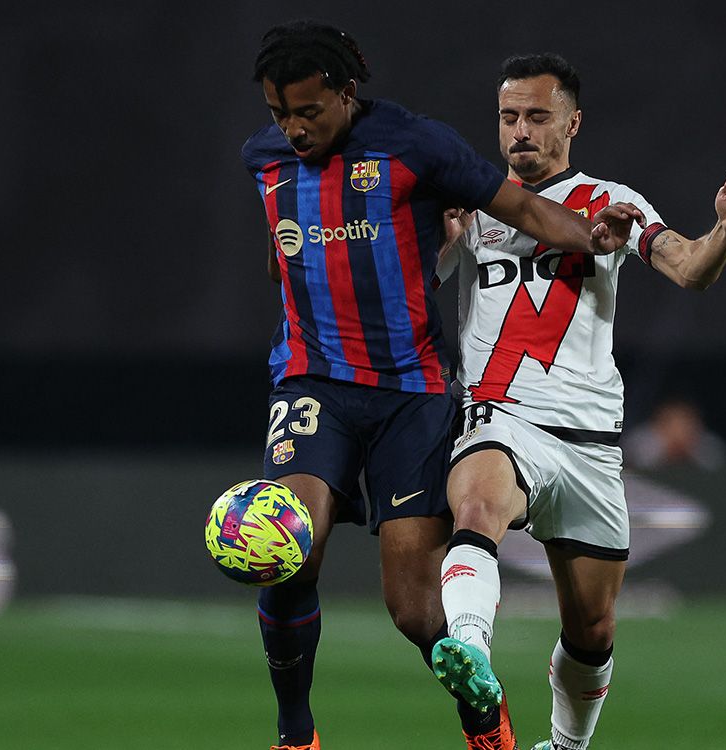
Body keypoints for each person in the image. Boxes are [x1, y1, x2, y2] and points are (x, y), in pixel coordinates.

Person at [240, 23, 642, 750]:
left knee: (416, 610)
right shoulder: (262, 159)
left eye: (308, 111)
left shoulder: (417, 145)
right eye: (279, 115)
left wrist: (591, 236)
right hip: (312, 380)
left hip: (413, 392)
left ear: (344, 91)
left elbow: (521, 209)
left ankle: (486, 722)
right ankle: (296, 735)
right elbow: (284, 250)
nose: (294, 129)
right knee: (287, 546)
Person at [433, 53, 726, 750]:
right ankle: (470, 651)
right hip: (501, 416)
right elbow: (409, 281)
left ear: (572, 122)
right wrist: (437, 238)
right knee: (478, 504)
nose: (519, 131)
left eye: (535, 116)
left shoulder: (609, 201)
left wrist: (723, 236)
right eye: (507, 117)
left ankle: (566, 747)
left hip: (587, 441)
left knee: (592, 630)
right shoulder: (471, 203)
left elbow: (687, 269)